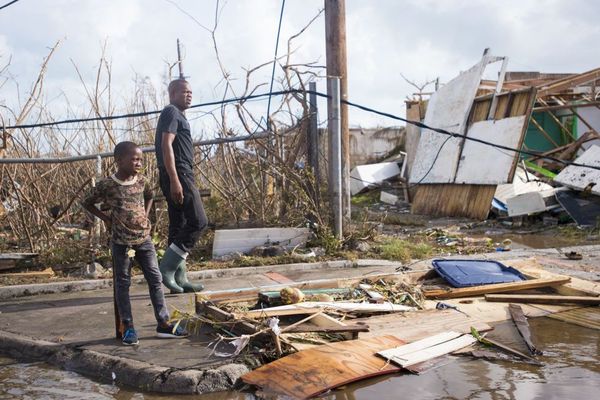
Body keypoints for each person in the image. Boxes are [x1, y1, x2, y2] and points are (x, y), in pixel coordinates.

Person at [82, 141, 188, 345]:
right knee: (123, 284)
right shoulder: (107, 185)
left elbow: (150, 196)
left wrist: (145, 215)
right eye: (134, 159)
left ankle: (164, 323)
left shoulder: (143, 181)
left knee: (155, 279)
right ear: (119, 160)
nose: (138, 162)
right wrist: (105, 219)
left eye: (140, 159)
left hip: (144, 239)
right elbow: (86, 202)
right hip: (121, 242)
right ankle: (128, 327)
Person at [154, 79, 207, 294]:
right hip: (179, 173)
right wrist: (176, 179)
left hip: (180, 174)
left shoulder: (178, 115)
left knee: (179, 225)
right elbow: (166, 145)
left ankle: (179, 277)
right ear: (173, 93)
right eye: (185, 91)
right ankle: (166, 268)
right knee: (199, 221)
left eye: (191, 92)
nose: (189, 95)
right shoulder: (171, 112)